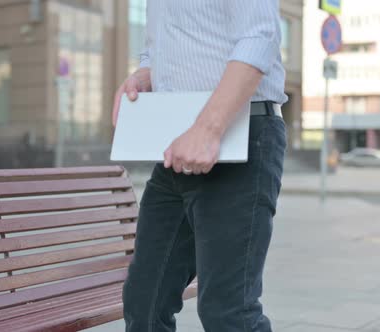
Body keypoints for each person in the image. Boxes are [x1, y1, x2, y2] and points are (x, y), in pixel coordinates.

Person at [111, 1, 288, 331]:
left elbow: (260, 36)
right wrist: (145, 75)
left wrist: (208, 129)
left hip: (240, 135)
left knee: (228, 312)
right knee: (144, 300)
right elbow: (169, 45)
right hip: (177, 144)